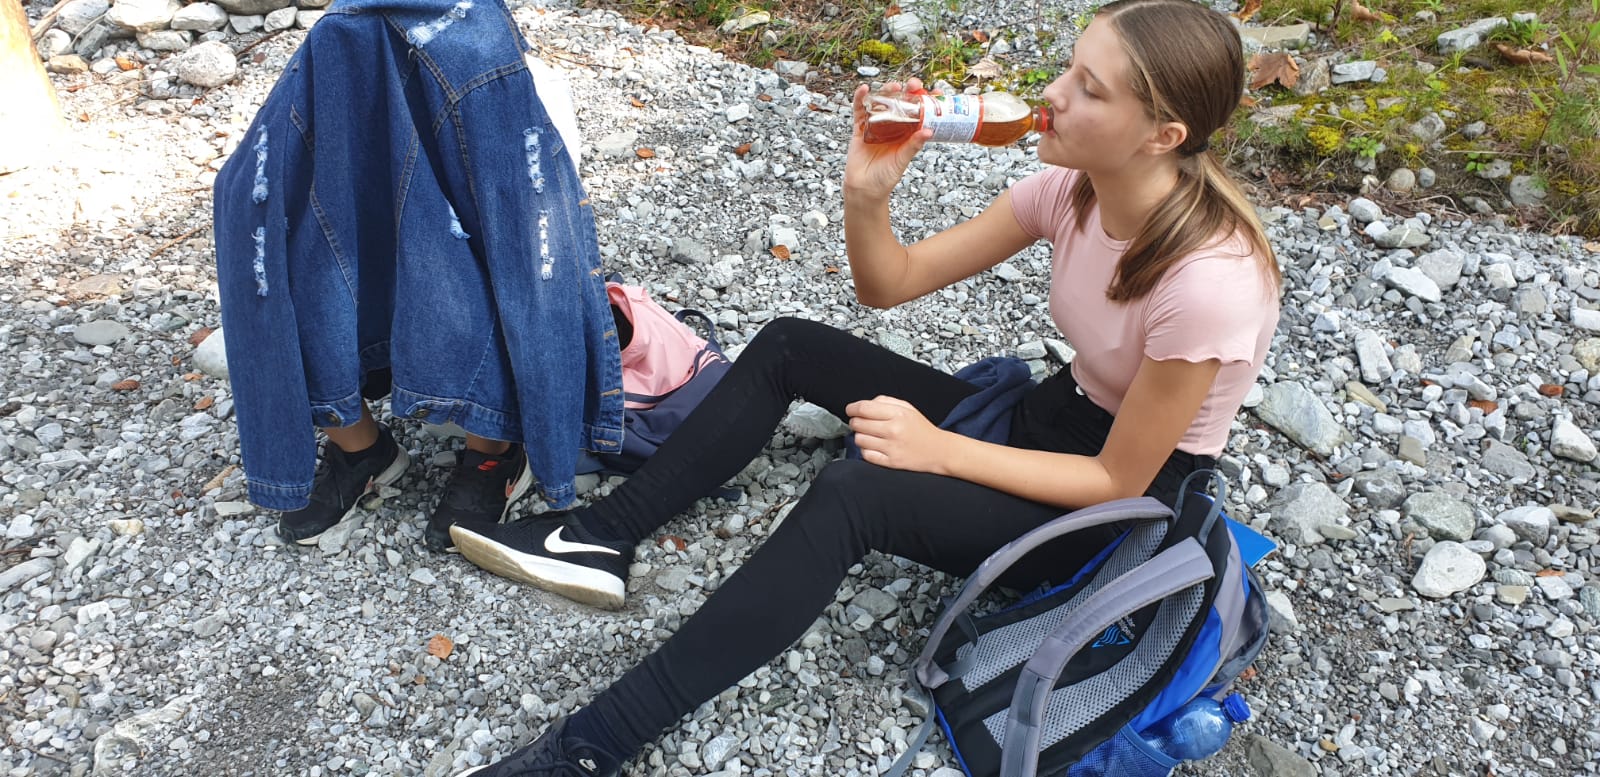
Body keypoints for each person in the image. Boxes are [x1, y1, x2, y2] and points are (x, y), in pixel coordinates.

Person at [446, 0, 1281, 773]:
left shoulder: (1208, 282)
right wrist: (866, 192)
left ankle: (592, 745)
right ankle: (601, 536)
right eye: (1069, 68)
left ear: (1162, 134)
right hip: (1048, 419)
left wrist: (939, 450)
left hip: (1111, 518)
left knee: (853, 494)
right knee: (790, 345)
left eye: (1089, 89)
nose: (1052, 95)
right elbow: (891, 283)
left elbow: (1116, 479)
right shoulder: (1073, 190)